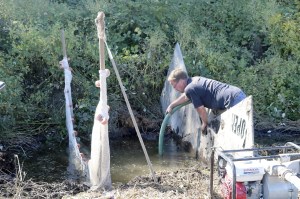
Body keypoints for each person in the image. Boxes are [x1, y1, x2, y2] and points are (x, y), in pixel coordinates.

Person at [166, 68, 246, 134]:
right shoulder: (194, 80)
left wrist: (204, 123)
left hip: (232, 99)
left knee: (240, 132)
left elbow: (201, 109)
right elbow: (185, 97)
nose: (175, 89)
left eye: (174, 85)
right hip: (236, 93)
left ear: (181, 80)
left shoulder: (189, 89)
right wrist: (171, 105)